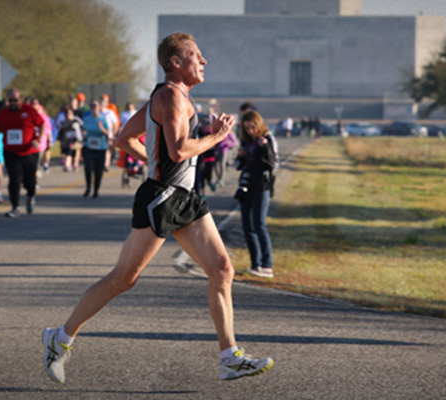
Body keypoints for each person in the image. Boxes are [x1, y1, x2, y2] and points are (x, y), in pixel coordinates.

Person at [41, 32, 274, 384]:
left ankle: (230, 357)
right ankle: (60, 338)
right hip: (163, 199)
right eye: (196, 55)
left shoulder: (171, 97)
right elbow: (179, 151)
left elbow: (124, 139)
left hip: (185, 198)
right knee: (123, 279)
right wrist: (216, 137)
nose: (204, 61)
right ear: (176, 63)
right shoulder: (170, 97)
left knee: (223, 270)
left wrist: (155, 162)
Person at [235, 110, 278, 279]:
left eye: (253, 127)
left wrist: (265, 146)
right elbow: (238, 166)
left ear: (259, 125)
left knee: (259, 225)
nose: (251, 131)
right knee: (247, 227)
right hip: (246, 187)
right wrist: (242, 156)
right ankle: (255, 264)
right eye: (247, 128)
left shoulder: (268, 139)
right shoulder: (247, 142)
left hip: (262, 187)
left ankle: (267, 265)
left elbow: (272, 163)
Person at [0, 88, 46, 218]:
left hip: (29, 152)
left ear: (21, 99)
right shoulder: (2, 114)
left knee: (29, 181)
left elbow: (42, 124)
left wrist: (38, 140)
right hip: (11, 152)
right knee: (14, 180)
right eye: (10, 100)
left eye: (15, 100)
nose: (12, 103)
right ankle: (15, 207)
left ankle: (30, 195)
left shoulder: (29, 111)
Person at [80, 100, 110, 198]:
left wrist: (102, 128)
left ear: (99, 107)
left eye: (95, 105)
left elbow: (108, 134)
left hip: (100, 148)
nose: (93, 107)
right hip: (88, 147)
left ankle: (96, 190)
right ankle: (88, 187)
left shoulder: (103, 119)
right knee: (88, 168)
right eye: (91, 105)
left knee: (98, 171)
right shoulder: (87, 119)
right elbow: (83, 129)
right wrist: (83, 135)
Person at [58, 107, 83, 172]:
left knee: (77, 152)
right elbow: (61, 133)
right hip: (67, 141)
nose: (68, 115)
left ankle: (75, 164)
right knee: (68, 153)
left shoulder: (76, 121)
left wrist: (80, 140)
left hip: (76, 140)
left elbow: (78, 132)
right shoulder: (64, 123)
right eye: (67, 114)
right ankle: (67, 165)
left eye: (70, 114)